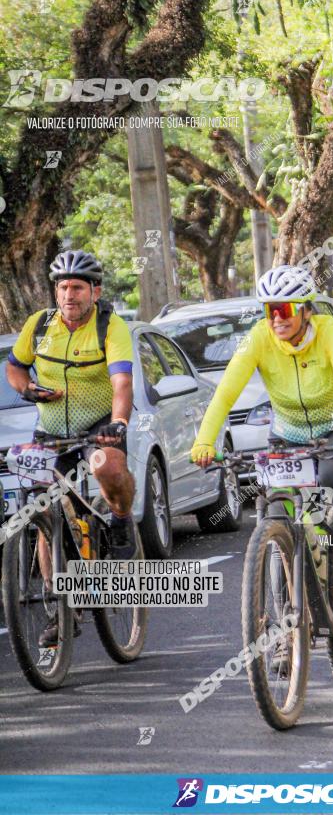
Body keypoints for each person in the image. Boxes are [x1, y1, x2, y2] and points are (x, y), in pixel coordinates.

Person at [191, 265, 333, 587]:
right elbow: (224, 395)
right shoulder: (260, 338)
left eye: (283, 309)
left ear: (305, 310)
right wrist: (204, 442)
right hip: (288, 434)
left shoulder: (328, 330)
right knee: (278, 504)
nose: (276, 318)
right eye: (268, 310)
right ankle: (287, 580)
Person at [6, 250, 137, 645]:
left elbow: (122, 384)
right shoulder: (39, 325)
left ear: (94, 291)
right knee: (42, 510)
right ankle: (57, 608)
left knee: (107, 468)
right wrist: (27, 389)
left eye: (77, 287)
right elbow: (14, 367)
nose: (69, 294)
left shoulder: (110, 327)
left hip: (99, 426)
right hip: (51, 429)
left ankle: (120, 517)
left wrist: (118, 423)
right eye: (62, 287)